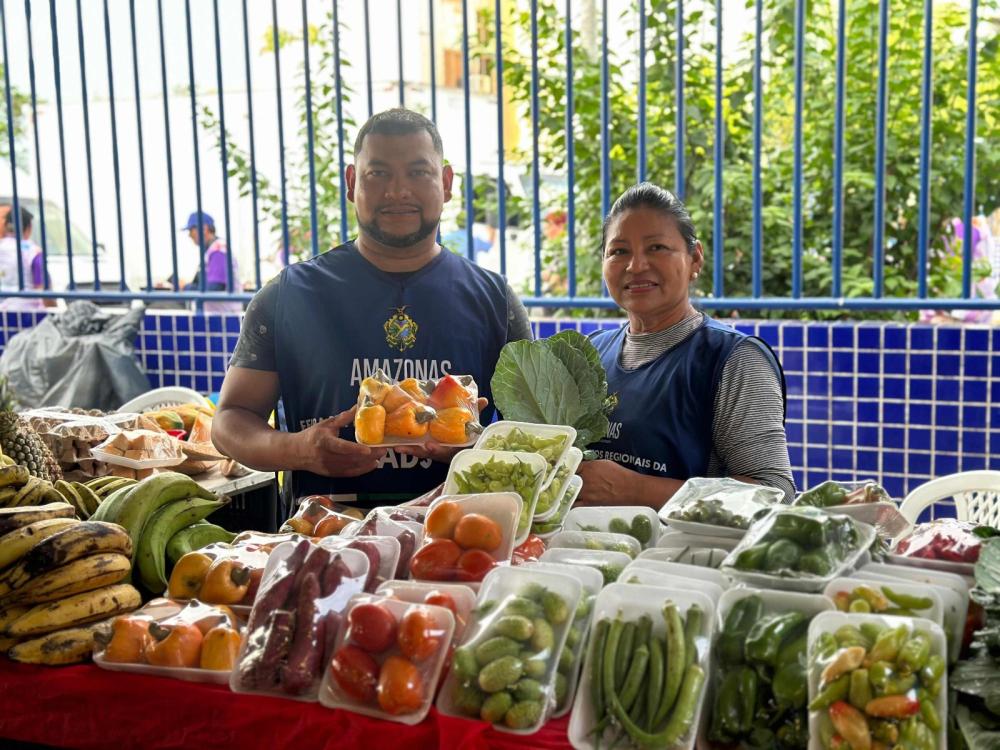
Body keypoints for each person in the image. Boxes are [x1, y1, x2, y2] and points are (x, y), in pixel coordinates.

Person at [212, 108, 532, 508]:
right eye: (378, 174)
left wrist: (476, 446)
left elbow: (535, 437)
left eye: (418, 172)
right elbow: (229, 421)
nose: (398, 191)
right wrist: (300, 450)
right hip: (322, 542)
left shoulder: (495, 300)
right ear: (351, 183)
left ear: (446, 183)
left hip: (459, 542)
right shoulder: (288, 296)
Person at [578, 182, 794, 507]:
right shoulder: (590, 355)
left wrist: (636, 491)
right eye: (619, 251)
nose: (636, 266)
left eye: (657, 248)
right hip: (580, 554)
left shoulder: (733, 360)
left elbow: (774, 493)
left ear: (695, 259)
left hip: (686, 556)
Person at [180, 211, 242, 313]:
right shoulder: (210, 250)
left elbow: (214, 288)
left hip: (222, 319)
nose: (189, 235)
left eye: (191, 230)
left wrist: (185, 287)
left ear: (204, 229)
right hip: (217, 316)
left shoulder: (218, 250)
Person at [0, 206, 53, 310]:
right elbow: (44, 292)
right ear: (29, 228)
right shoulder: (33, 252)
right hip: (29, 317)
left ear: (5, 227)